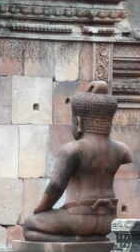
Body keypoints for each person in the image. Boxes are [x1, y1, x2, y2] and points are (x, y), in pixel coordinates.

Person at [21, 81, 133, 242]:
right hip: (108, 221)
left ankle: (75, 241)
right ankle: (92, 240)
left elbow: (56, 186)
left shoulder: (73, 150)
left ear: (78, 122)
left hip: (78, 219)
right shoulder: (121, 149)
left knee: (30, 225)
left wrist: (42, 208)